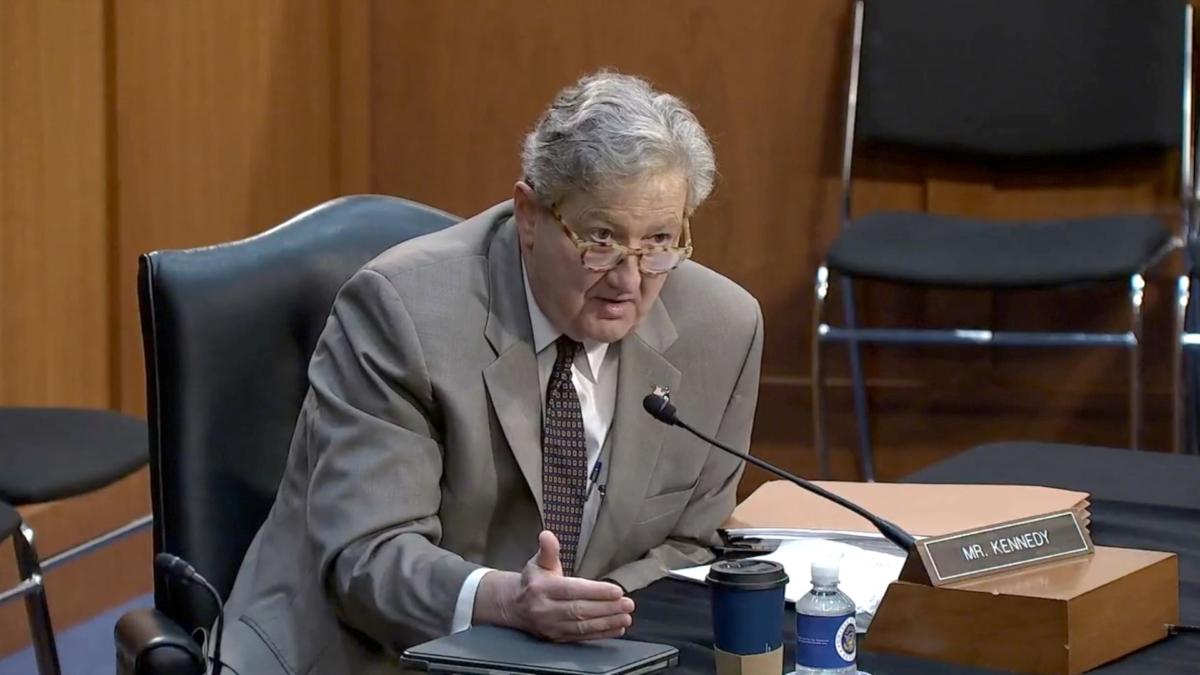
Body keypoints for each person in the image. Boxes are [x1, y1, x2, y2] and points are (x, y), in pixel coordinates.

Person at [218, 70, 764, 675]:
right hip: (372, 653)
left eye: (660, 241)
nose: (630, 281)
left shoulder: (723, 330)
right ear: (529, 215)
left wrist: (582, 614)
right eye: (601, 239)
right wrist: (511, 602)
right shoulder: (402, 313)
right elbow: (367, 557)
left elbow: (692, 543)